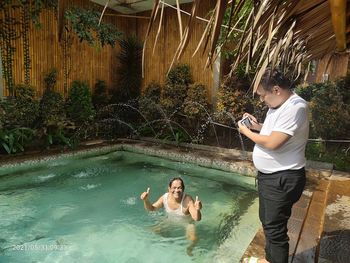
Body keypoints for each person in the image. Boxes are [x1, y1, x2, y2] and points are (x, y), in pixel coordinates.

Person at [238, 70, 309, 263]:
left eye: (262, 95)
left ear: (276, 90)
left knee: (275, 229)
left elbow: (273, 143)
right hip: (273, 177)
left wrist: (246, 132)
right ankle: (270, 260)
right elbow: (274, 131)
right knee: (269, 222)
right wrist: (256, 126)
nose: (261, 100)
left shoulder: (295, 107)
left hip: (281, 178)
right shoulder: (279, 105)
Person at [140, 177, 202, 256]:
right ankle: (167, 237)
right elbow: (151, 209)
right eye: (174, 188)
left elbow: (197, 218)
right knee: (150, 230)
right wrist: (145, 200)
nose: (176, 190)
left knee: (193, 239)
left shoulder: (187, 200)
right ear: (169, 189)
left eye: (179, 188)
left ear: (183, 189)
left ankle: (189, 249)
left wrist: (198, 209)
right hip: (169, 220)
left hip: (186, 223)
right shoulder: (165, 197)